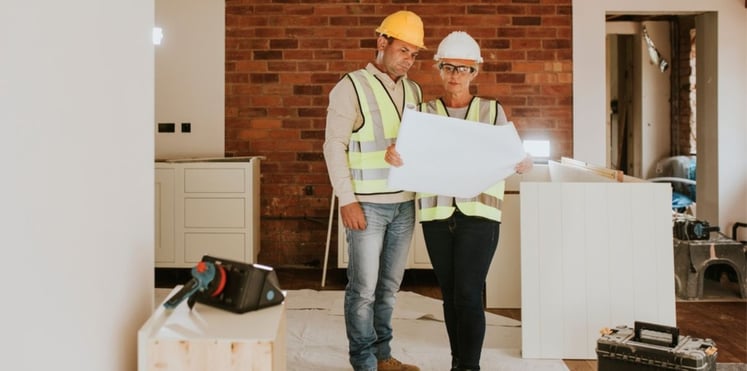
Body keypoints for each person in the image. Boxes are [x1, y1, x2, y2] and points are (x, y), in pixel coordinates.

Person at [384, 31, 533, 371]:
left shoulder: (491, 111)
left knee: (467, 293)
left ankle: (470, 367)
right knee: (450, 296)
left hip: (479, 217)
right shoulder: (424, 113)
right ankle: (458, 363)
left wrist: (526, 162)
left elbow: (516, 156)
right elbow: (408, 155)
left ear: (474, 73)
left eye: (463, 69)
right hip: (436, 216)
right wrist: (394, 155)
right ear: (438, 69)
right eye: (448, 67)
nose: (455, 75)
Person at [322, 10, 426, 371]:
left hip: (404, 206)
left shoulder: (414, 90)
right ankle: (363, 362)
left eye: (414, 54)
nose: (409, 61)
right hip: (367, 206)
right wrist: (347, 200)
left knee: (388, 289)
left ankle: (383, 356)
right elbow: (334, 146)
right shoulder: (350, 86)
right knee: (363, 290)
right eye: (403, 51)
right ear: (382, 43)